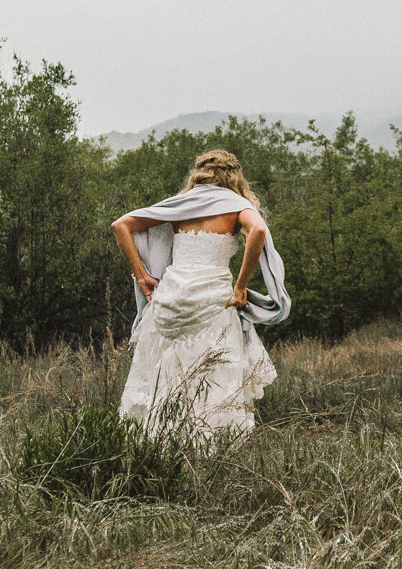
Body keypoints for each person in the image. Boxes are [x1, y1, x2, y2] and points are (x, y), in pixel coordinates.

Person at [111, 149, 290, 436]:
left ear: (199, 174)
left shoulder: (182, 205)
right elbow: (257, 231)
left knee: (166, 374)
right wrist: (241, 285)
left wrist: (142, 276)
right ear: (233, 177)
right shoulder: (236, 205)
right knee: (211, 374)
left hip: (169, 299)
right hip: (213, 300)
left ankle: (160, 440)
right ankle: (209, 443)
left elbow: (121, 225)